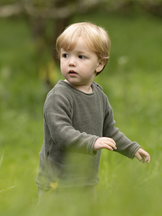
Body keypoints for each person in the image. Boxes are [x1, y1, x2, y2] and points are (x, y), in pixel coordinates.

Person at [35, 22, 150, 202]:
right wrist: (93, 141)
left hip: (85, 181)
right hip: (56, 183)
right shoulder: (58, 97)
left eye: (81, 56)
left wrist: (132, 148)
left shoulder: (99, 96)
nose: (71, 62)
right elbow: (61, 134)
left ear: (100, 64)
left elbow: (109, 131)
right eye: (65, 55)